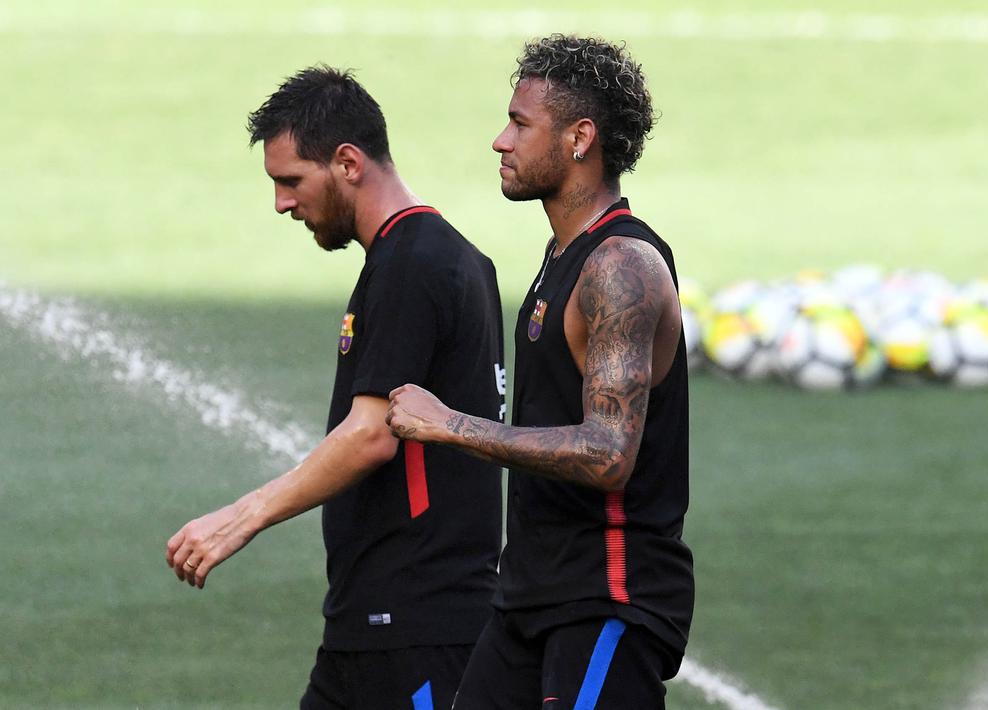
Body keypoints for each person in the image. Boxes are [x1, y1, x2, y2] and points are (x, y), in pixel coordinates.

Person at [164, 66, 505, 710]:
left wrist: (243, 518)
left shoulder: (412, 263)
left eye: (291, 181)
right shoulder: (448, 257)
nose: (281, 203)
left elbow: (373, 436)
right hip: (373, 627)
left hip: (416, 629)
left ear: (347, 162)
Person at [386, 35, 693, 709]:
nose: (500, 141)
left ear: (580, 137)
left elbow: (607, 455)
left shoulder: (620, 266)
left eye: (520, 124)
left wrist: (450, 426)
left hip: (606, 597)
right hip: (529, 595)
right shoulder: (563, 257)